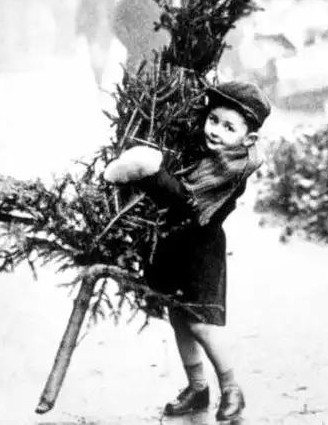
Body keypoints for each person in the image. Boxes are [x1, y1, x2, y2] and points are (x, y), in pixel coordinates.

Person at [104, 80, 271, 421]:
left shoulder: (232, 167)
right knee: (179, 317)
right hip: (175, 245)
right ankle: (197, 388)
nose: (216, 131)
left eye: (229, 127)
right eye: (213, 120)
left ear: (248, 139)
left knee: (201, 325)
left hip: (200, 252)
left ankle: (232, 389)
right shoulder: (206, 151)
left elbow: (186, 203)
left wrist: (152, 174)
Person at [112, 0, 170, 75]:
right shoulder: (128, 1)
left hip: (156, 52)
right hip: (136, 52)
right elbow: (117, 23)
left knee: (156, 78)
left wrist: (163, 40)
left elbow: (168, 22)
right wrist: (130, 42)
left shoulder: (159, 1)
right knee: (134, 78)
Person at [75, 0, 116, 87]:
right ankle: (98, 74)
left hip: (106, 31)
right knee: (94, 53)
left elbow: (114, 10)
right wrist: (79, 27)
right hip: (93, 30)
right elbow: (81, 11)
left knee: (104, 53)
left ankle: (101, 73)